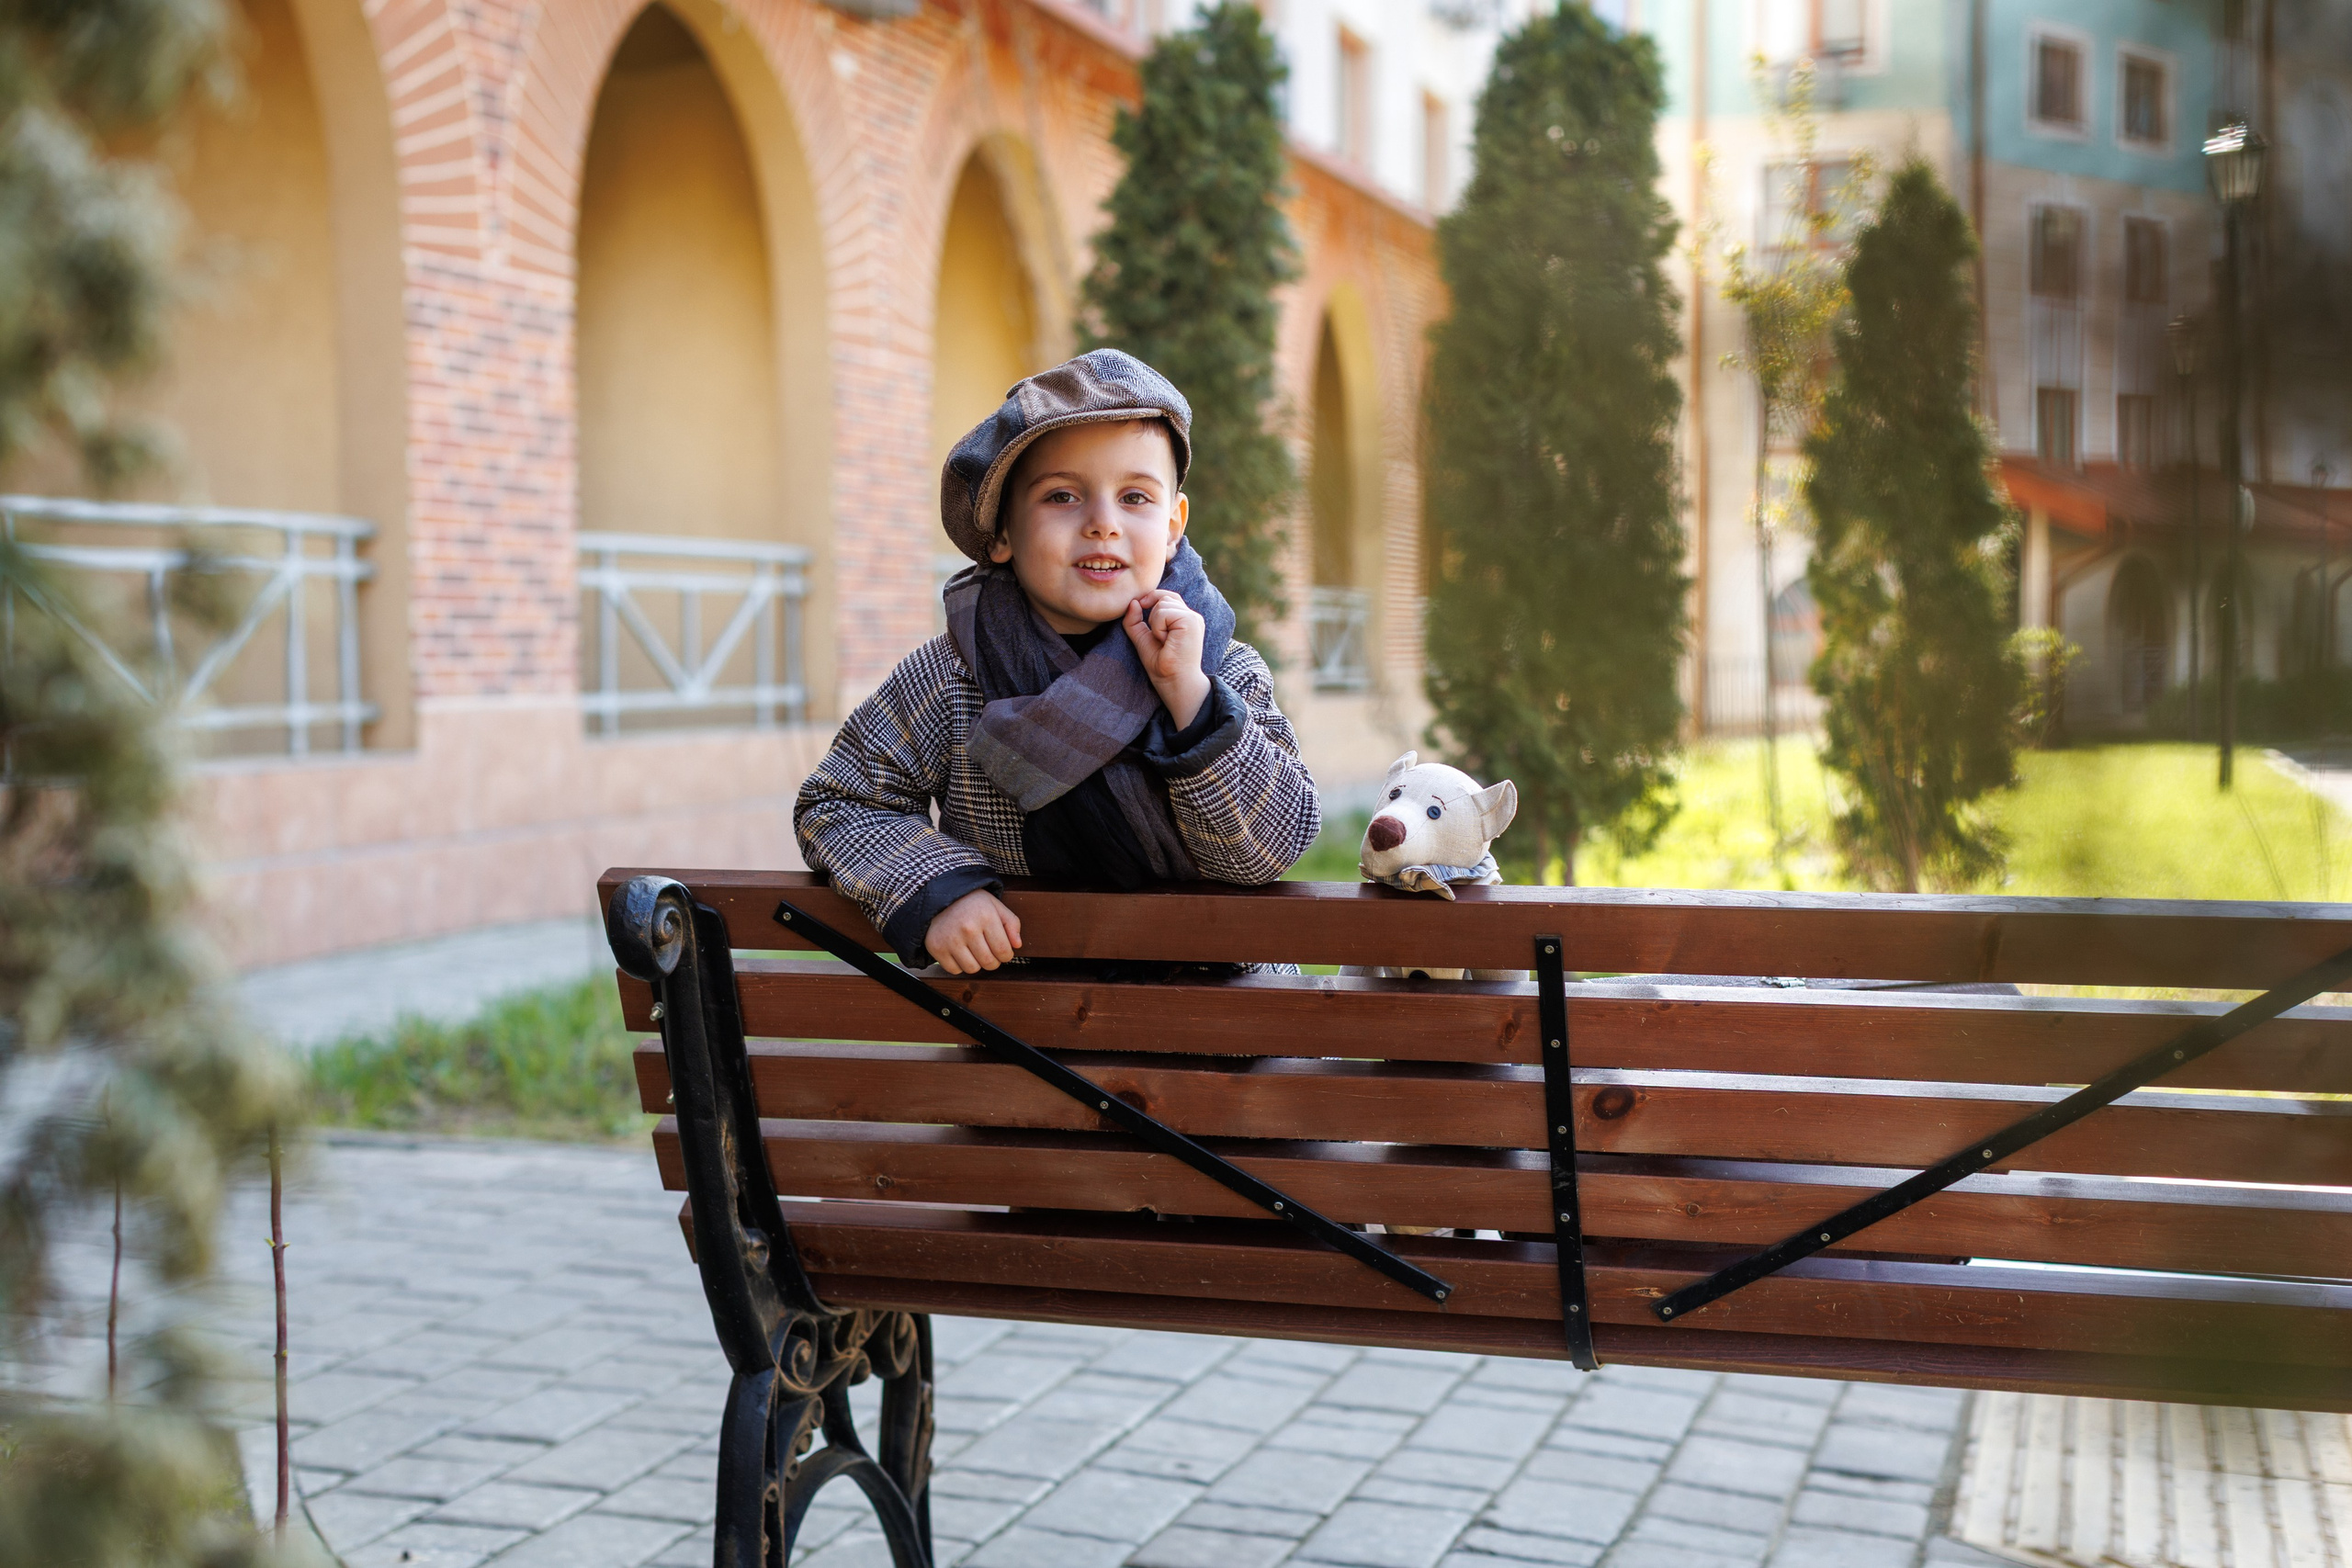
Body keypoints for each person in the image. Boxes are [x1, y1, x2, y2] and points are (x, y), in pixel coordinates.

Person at [795, 348, 1321, 973]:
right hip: (1021, 1020)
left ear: (1174, 525)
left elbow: (1268, 851)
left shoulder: (1222, 670)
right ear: (1002, 532)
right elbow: (839, 802)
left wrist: (1192, 699)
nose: (1103, 524)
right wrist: (938, 887)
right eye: (1063, 496)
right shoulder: (951, 676)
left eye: (1135, 497)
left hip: (1219, 1016)